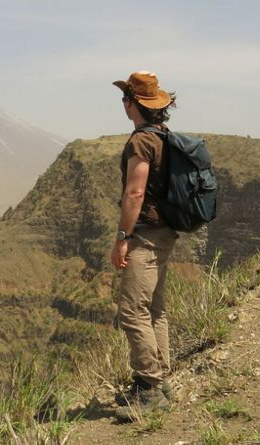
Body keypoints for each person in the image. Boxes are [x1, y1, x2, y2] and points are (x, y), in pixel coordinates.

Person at [109, 71, 179, 421]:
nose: (123, 103)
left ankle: (150, 388)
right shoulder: (164, 137)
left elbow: (135, 193)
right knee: (154, 309)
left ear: (134, 105)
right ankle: (160, 380)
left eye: (126, 99)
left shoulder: (140, 142)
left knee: (132, 310)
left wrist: (123, 238)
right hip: (166, 232)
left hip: (147, 234)